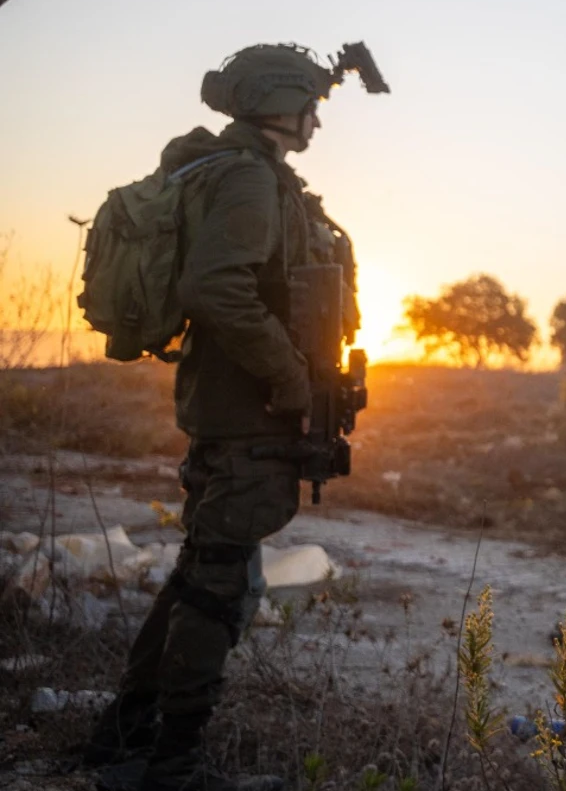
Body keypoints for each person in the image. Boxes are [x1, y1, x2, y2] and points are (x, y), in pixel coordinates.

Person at [87, 44, 361, 791]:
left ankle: (123, 735)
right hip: (249, 415)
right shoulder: (248, 178)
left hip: (234, 409)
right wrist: (290, 378)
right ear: (281, 104)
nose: (316, 121)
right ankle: (171, 766)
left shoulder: (252, 173)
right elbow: (215, 286)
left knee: (201, 574)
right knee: (218, 590)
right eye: (310, 106)